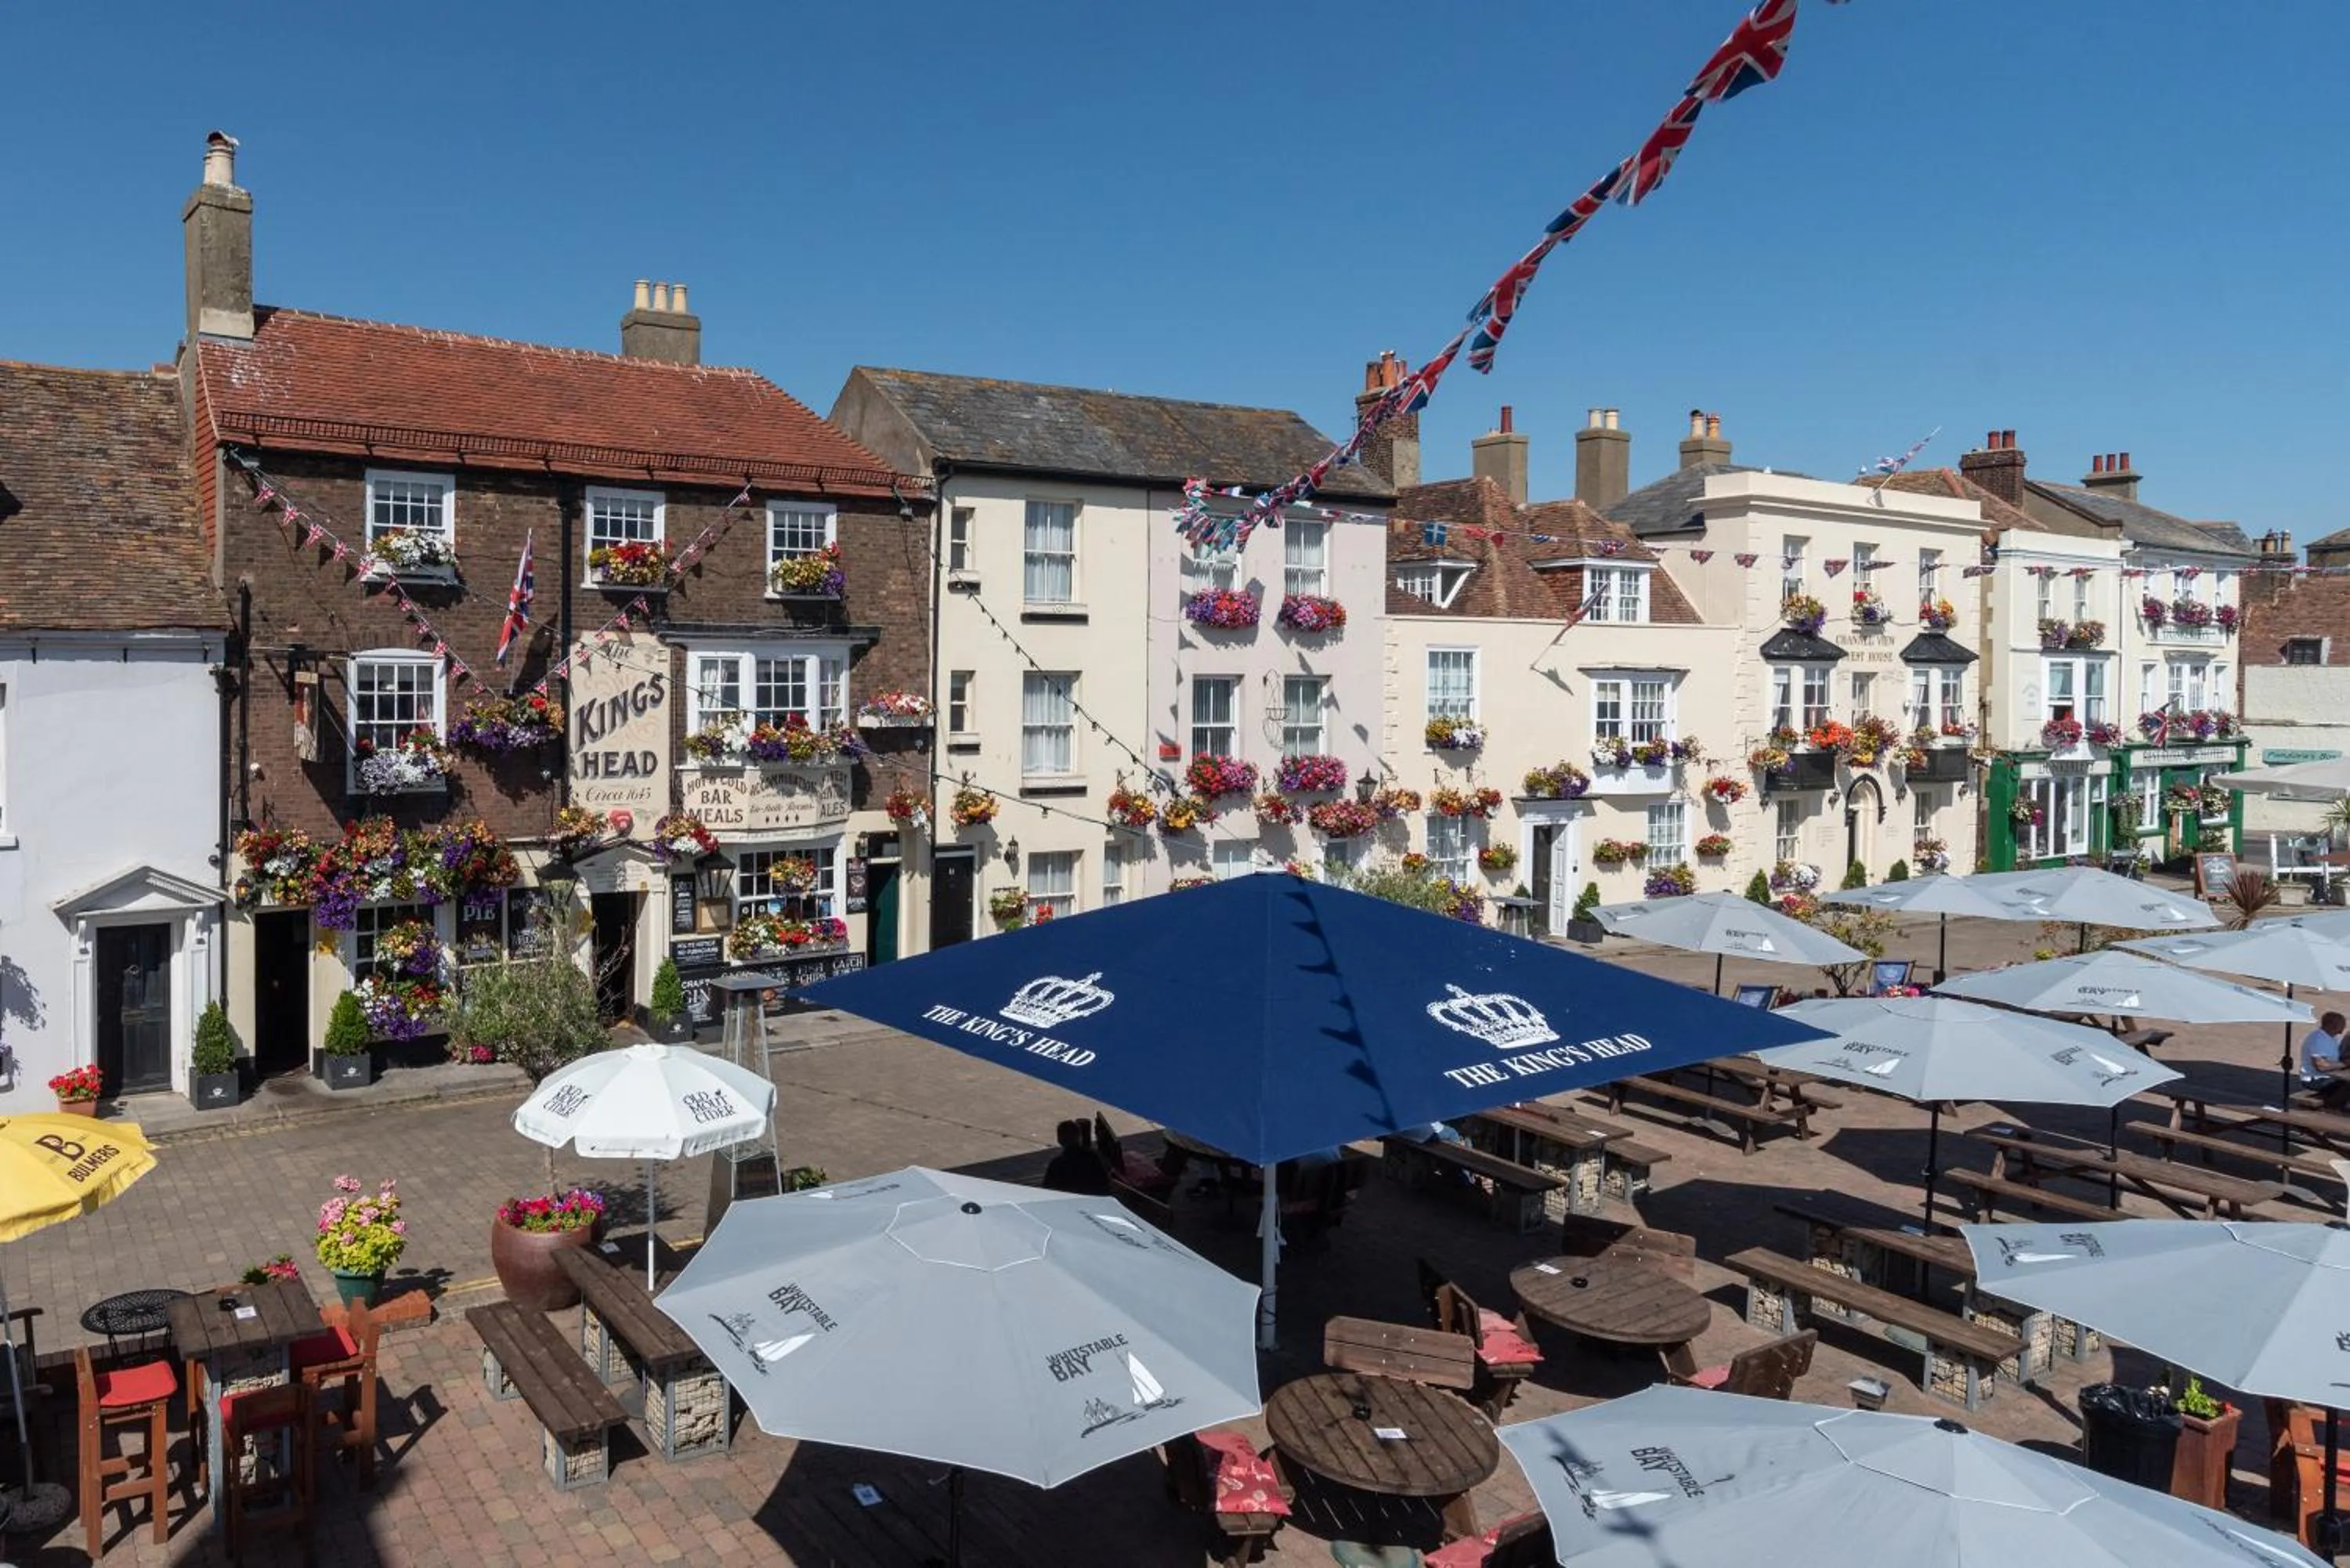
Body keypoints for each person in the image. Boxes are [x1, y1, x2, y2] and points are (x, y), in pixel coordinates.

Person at [1041, 1118, 1113, 1194]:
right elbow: (1104, 1185)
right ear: (1079, 1137)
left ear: (1059, 1140)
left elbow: (1048, 1191)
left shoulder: (1056, 1165)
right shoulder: (1093, 1158)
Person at [2301, 1012, 2349, 1107]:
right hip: (2316, 1080)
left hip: (2327, 1076)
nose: (2345, 1026)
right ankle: (2333, 1108)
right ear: (2333, 1025)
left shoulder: (2329, 1037)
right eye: (2343, 1024)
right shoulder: (2318, 1040)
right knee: (2347, 1086)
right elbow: (2321, 1067)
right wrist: (2345, 1064)